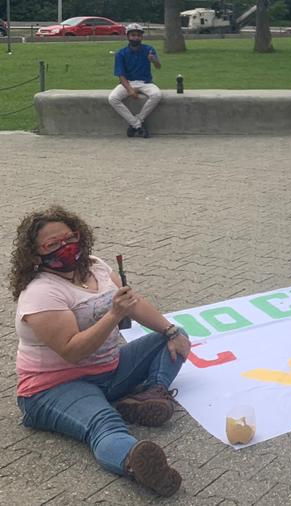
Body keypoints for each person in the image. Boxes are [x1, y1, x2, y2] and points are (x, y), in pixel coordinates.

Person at [11, 207, 190, 497]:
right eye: (52, 245)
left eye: (70, 238)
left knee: (172, 337)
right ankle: (135, 459)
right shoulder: (39, 292)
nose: (65, 247)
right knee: (103, 422)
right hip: (54, 387)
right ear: (35, 253)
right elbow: (73, 351)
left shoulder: (95, 265)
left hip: (108, 369)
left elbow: (133, 302)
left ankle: (150, 394)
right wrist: (112, 315)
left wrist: (170, 331)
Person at [108, 23, 162, 138]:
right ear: (128, 36)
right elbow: (120, 75)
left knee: (157, 95)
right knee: (113, 98)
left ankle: (138, 120)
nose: (136, 38)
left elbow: (158, 66)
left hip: (145, 82)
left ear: (142, 37)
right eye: (133, 35)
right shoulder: (120, 53)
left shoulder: (149, 49)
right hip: (128, 82)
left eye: (138, 35)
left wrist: (153, 60)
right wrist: (129, 89)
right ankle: (137, 124)